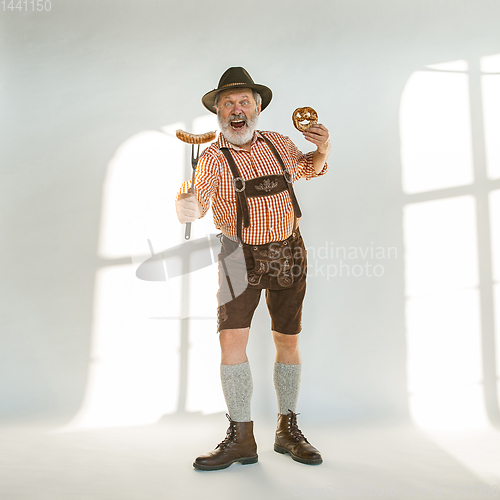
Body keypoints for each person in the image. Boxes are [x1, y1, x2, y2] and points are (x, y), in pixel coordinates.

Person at [175, 67, 330, 471]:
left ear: (257, 107)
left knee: (288, 341)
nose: (236, 109)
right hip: (236, 257)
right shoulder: (211, 158)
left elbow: (309, 168)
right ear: (219, 113)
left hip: (289, 253)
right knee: (231, 343)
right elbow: (199, 201)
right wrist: (186, 207)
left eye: (244, 101)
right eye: (228, 103)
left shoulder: (279, 144)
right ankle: (241, 437)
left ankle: (287, 429)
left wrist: (323, 148)